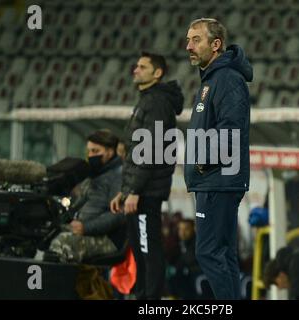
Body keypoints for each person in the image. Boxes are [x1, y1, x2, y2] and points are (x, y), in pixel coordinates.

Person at [184, 18, 253, 299]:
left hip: (217, 179)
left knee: (208, 252)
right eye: (188, 40)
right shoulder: (213, 78)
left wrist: (203, 162)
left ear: (216, 45)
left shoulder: (226, 79)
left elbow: (231, 130)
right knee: (223, 254)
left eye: (196, 40)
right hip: (216, 179)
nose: (188, 46)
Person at [110, 52, 184, 300]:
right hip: (139, 190)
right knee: (141, 249)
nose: (135, 70)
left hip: (147, 192)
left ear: (157, 73)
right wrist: (126, 189)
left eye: (142, 67)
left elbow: (150, 149)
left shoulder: (156, 103)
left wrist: (135, 191)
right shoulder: (147, 100)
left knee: (148, 248)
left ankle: (149, 300)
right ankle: (142, 295)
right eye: (136, 66)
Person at [48, 129, 125, 263]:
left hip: (106, 238)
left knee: (61, 244)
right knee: (45, 234)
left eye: (95, 151)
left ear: (110, 152)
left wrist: (86, 228)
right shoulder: (93, 176)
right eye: (88, 151)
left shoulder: (119, 176)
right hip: (85, 231)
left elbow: (117, 215)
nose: (90, 155)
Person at [167, 219, 202, 299]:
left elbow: (189, 259)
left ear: (193, 229)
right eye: (180, 229)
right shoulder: (178, 243)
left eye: (186, 229)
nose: (182, 232)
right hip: (185, 273)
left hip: (196, 272)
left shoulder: (196, 243)